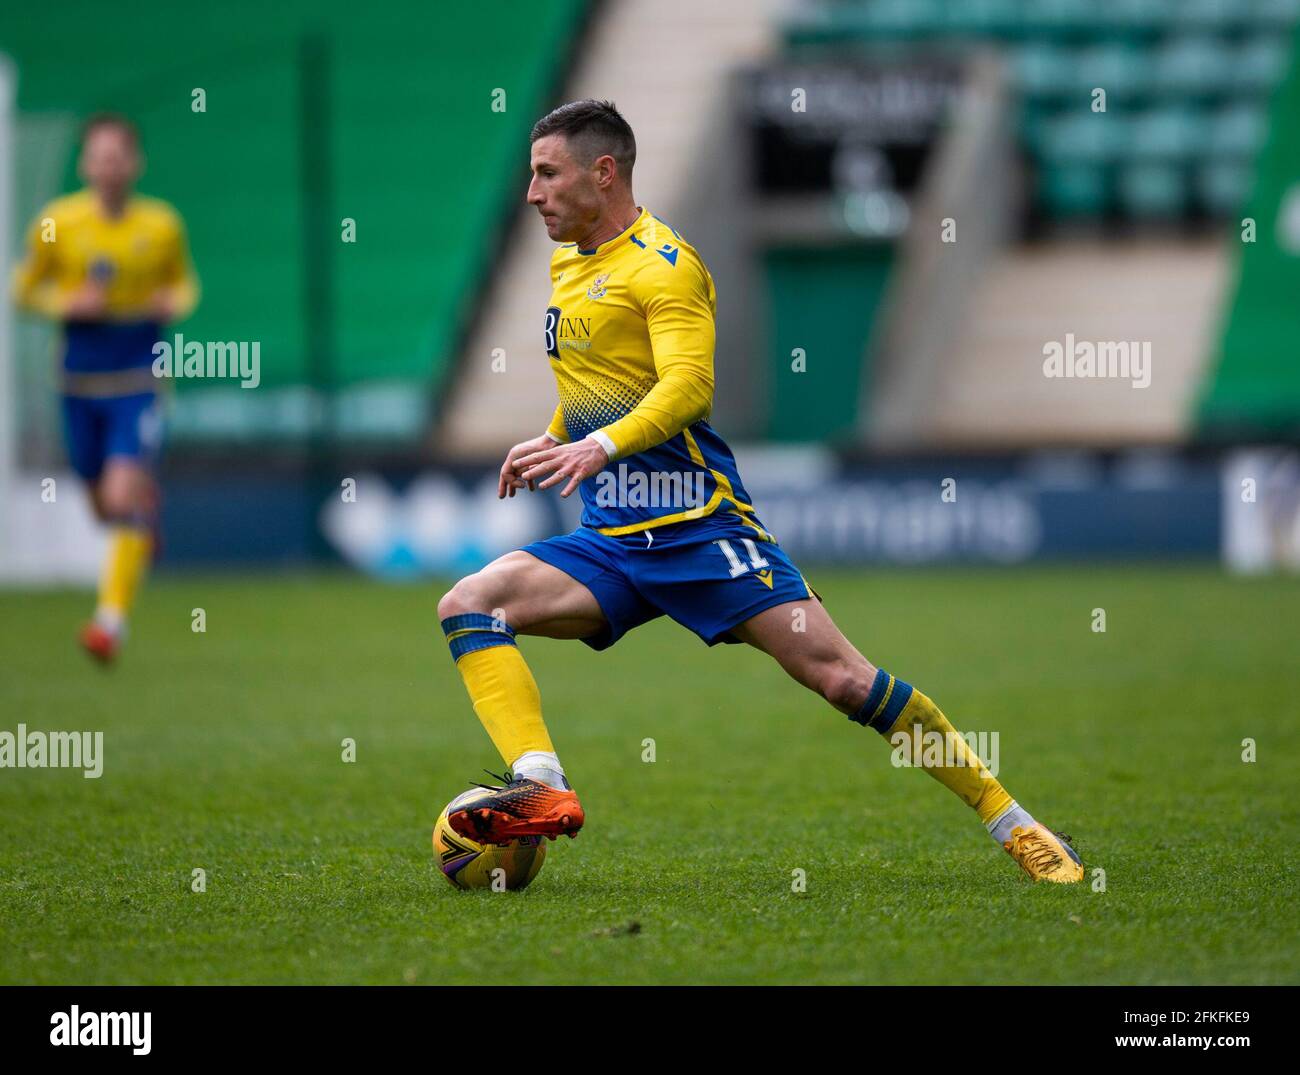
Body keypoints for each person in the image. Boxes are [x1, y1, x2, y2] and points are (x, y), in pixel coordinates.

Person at [437, 100, 1081, 883]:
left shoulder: (665, 265)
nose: (532, 192)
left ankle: (1014, 823)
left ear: (603, 173)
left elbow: (686, 386)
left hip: (703, 531)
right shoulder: (570, 258)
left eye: (547, 173)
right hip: (613, 541)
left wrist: (599, 444)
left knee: (844, 679)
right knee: (471, 601)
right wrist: (559, 437)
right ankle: (541, 786)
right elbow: (600, 381)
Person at [12, 113, 198, 663]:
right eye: (100, 156)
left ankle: (109, 623)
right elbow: (22, 287)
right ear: (84, 164)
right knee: (101, 506)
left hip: (138, 381)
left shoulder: (161, 224)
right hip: (77, 382)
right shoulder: (58, 223)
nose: (110, 166)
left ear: (134, 163)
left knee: (120, 498)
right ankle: (144, 516)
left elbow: (184, 282)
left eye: (119, 156)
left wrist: (174, 302)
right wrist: (61, 303)